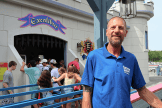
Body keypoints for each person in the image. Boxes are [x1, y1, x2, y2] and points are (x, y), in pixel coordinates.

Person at [81, 16, 162, 108]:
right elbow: (87, 91)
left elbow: (143, 91)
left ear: (125, 33)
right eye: (113, 27)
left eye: (121, 28)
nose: (116, 31)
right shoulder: (94, 56)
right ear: (107, 32)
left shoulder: (131, 59)